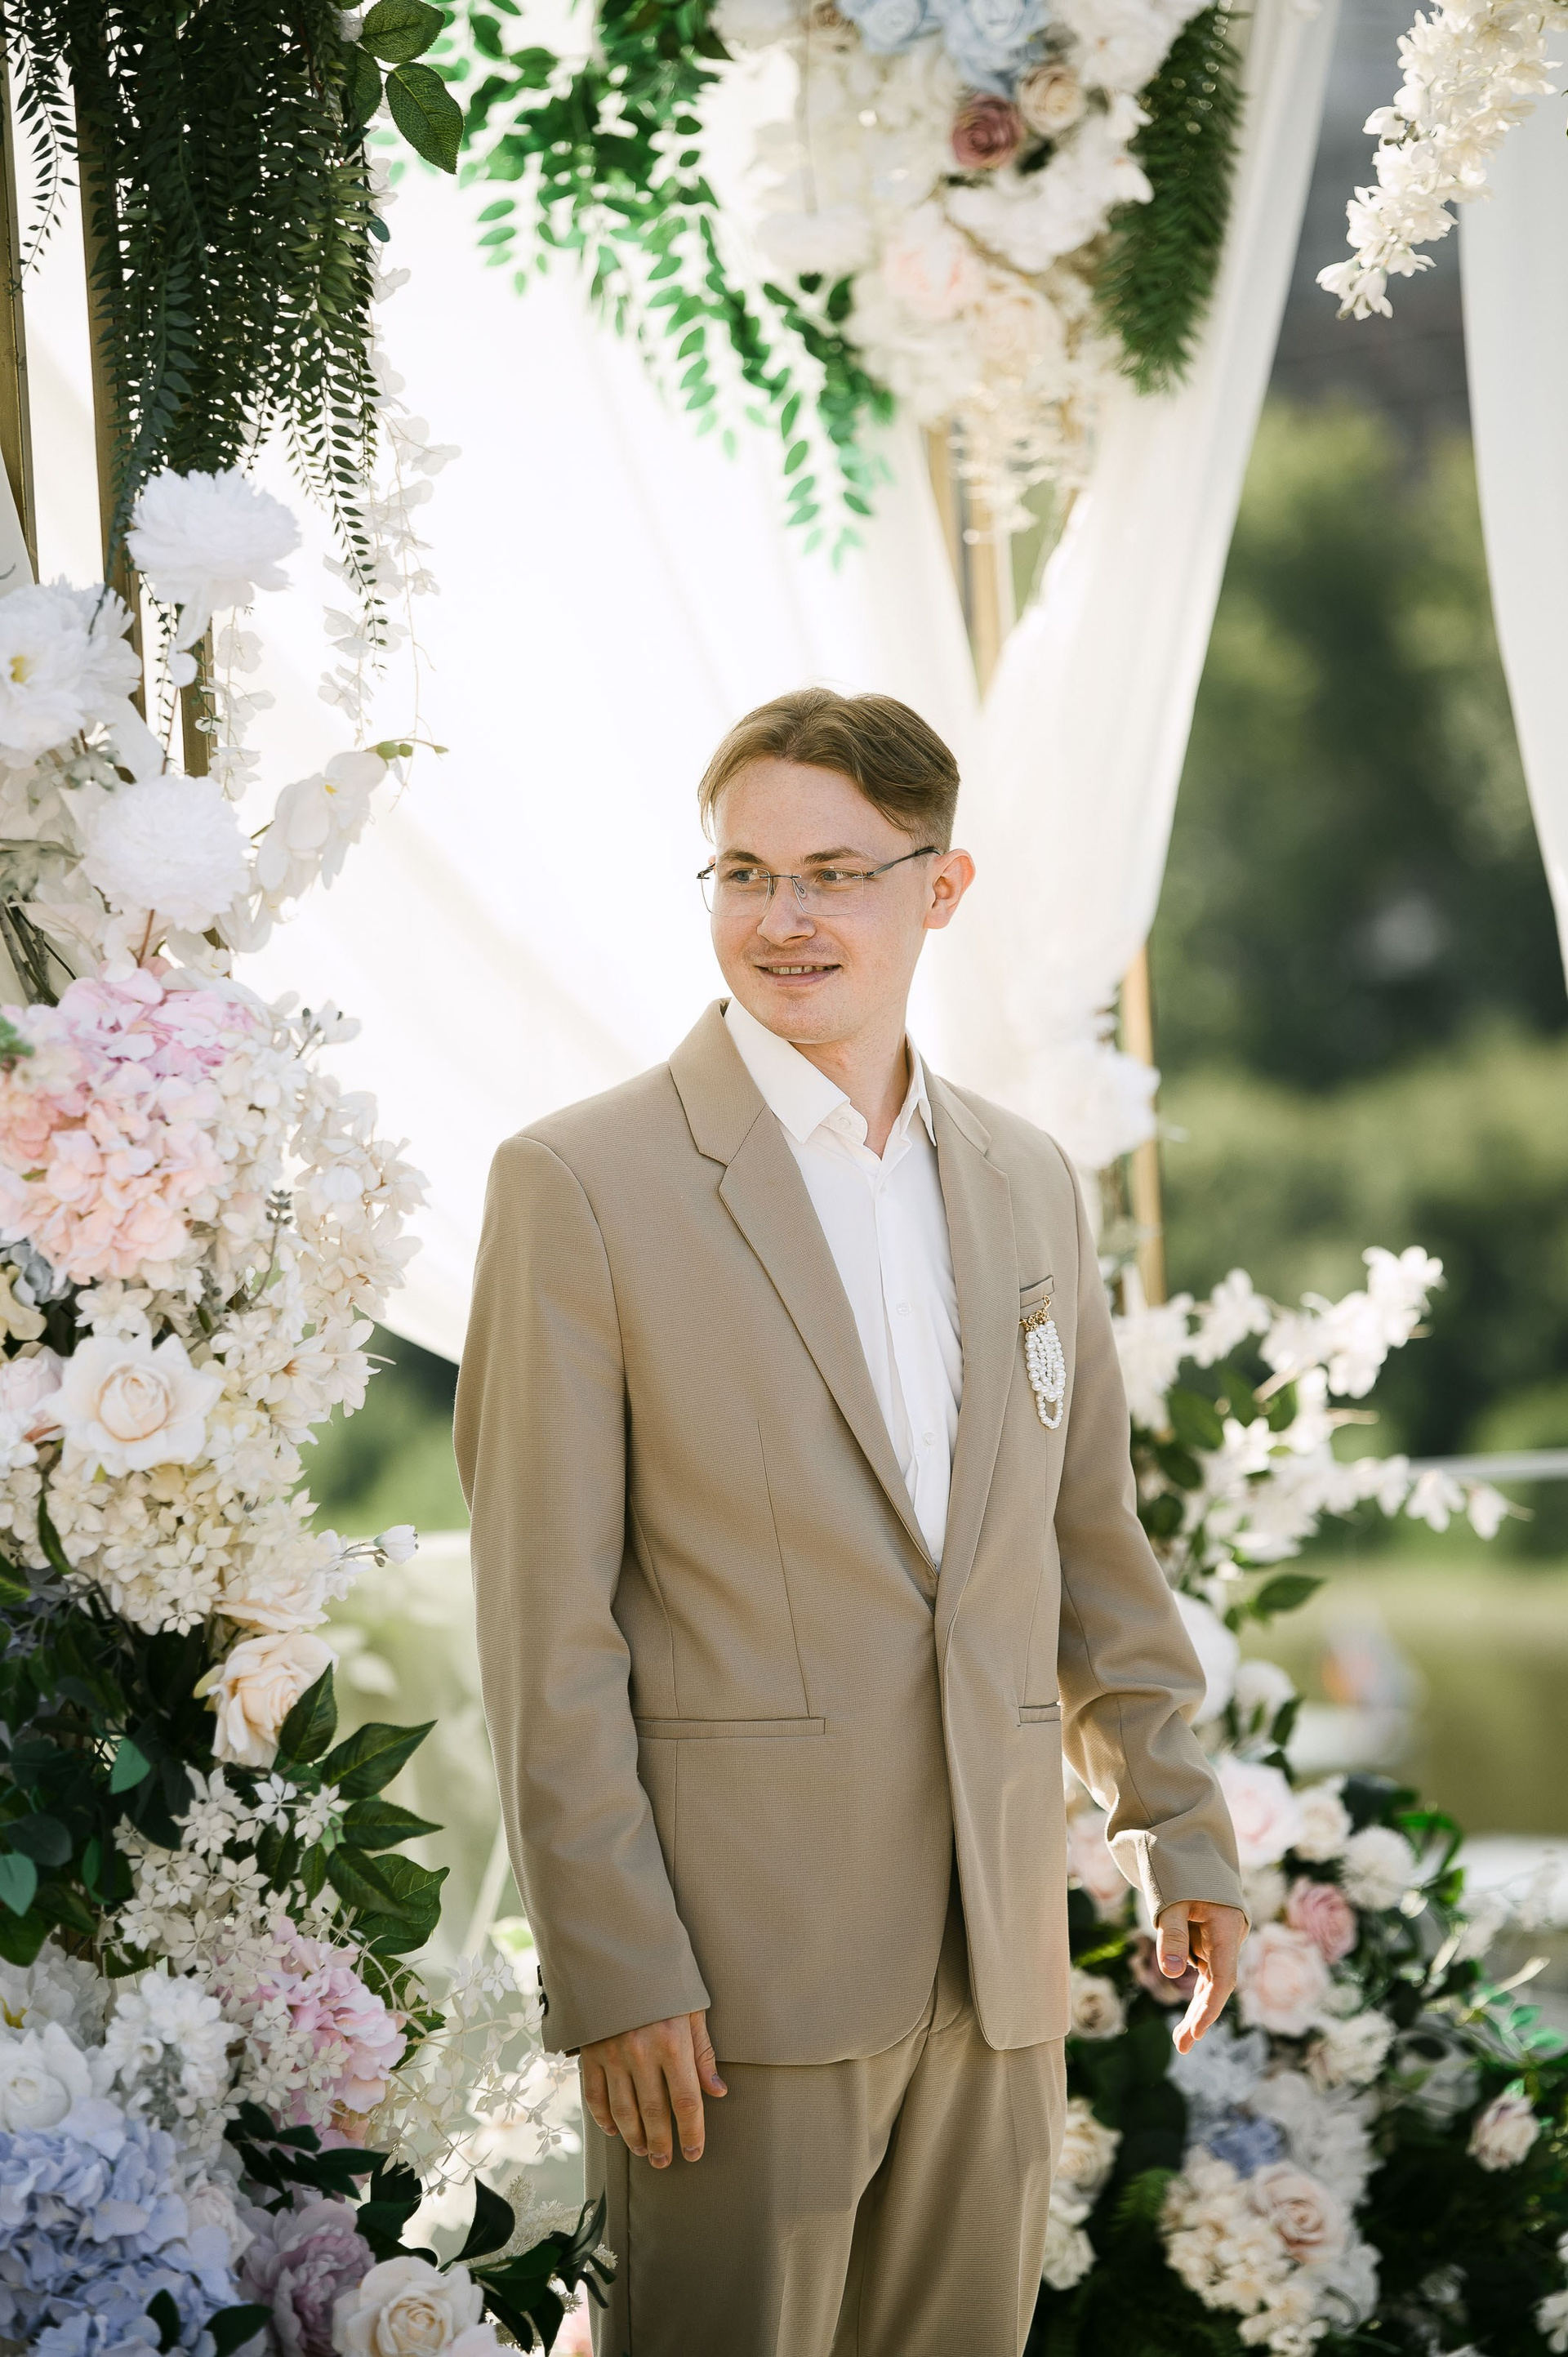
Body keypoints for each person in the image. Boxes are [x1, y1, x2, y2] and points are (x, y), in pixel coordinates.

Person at [455, 688, 1246, 2357]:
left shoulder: (1031, 1181)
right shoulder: (579, 1184)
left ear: (940, 888)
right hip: (726, 1989)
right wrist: (617, 1966)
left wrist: (1179, 1825)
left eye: (832, 873)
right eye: (745, 873)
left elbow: (1086, 1545)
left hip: (999, 1966)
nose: (782, 918)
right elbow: (545, 1627)